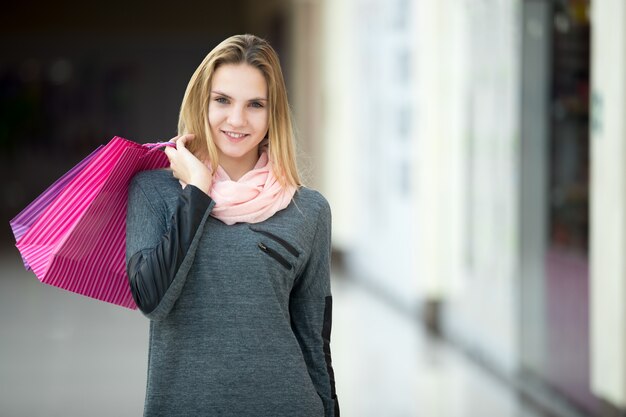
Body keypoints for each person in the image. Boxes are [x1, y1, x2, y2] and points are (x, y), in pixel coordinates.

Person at [125, 34, 339, 417]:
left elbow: (314, 340)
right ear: (201, 103)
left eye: (255, 105)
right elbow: (153, 300)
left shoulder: (310, 210)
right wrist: (197, 192)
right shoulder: (153, 192)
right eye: (222, 100)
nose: (237, 120)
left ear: (273, 116)